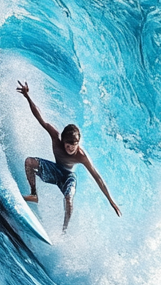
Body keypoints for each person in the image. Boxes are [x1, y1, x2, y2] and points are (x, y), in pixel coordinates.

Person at [16, 81, 122, 232]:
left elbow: (97, 177)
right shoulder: (56, 137)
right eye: (68, 145)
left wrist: (111, 201)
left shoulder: (81, 156)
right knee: (29, 162)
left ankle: (64, 230)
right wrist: (27, 96)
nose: (71, 149)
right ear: (63, 141)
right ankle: (33, 194)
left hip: (68, 177)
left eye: (75, 145)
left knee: (69, 198)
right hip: (54, 170)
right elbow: (40, 118)